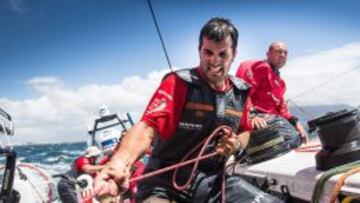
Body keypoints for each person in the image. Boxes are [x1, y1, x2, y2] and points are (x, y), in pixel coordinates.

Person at [94, 17, 282, 203]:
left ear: (234, 54)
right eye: (208, 52)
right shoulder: (177, 84)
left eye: (223, 54)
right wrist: (118, 163)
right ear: (199, 50)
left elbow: (244, 129)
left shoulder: (240, 92)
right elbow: (146, 128)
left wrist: (236, 145)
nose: (215, 61)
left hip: (215, 182)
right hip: (163, 185)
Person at [236, 42, 309, 144]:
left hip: (273, 122)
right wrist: (252, 115)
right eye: (279, 51)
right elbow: (241, 91)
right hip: (255, 121)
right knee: (292, 139)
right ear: (268, 54)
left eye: (285, 53)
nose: (283, 55)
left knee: (298, 137)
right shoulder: (257, 67)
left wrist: (296, 124)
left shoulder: (281, 83)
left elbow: (282, 108)